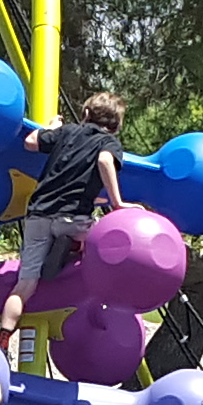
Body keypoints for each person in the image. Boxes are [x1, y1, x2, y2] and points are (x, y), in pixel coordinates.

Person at [13, 90, 129, 318]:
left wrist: (52, 127)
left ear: (85, 113)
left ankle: (5, 335)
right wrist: (118, 203)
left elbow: (30, 141)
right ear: (116, 126)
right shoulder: (109, 142)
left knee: (24, 285)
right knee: (100, 240)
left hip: (39, 215)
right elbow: (104, 160)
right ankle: (74, 248)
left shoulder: (66, 132)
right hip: (74, 219)